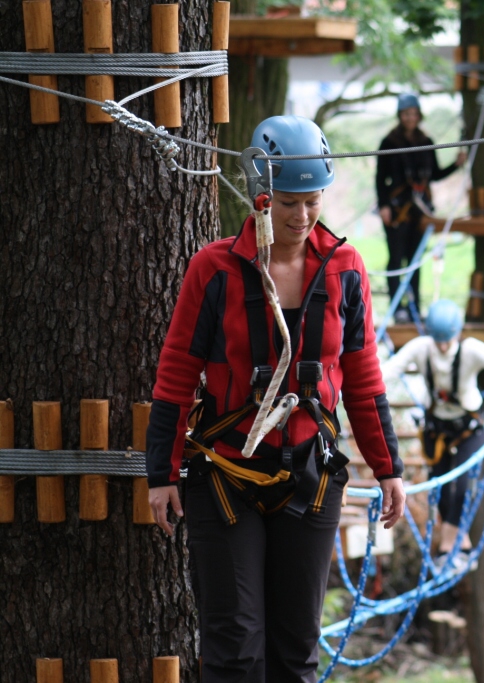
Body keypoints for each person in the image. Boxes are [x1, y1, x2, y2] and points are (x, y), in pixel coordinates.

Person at [146, 115, 406, 683]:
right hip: (225, 475)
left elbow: (362, 375)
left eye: (312, 200)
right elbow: (176, 373)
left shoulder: (345, 269)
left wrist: (389, 469)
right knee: (235, 647)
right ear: (261, 195)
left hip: (310, 476)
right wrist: (160, 474)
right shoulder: (214, 270)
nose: (302, 215)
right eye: (288, 201)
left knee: (296, 651)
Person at [381, 299, 484, 570]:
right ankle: (460, 544)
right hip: (436, 429)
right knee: (438, 488)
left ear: (457, 334)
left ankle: (446, 546)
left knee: (462, 486)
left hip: (468, 428)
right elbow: (389, 370)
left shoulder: (471, 350)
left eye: (447, 341)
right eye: (438, 340)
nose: (442, 347)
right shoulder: (421, 349)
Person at [376, 93, 467, 322]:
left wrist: (455, 166)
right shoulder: (389, 143)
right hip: (397, 210)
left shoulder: (426, 142)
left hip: (420, 211)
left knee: (415, 260)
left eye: (414, 113)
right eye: (406, 114)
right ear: (400, 116)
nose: (410, 118)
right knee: (396, 259)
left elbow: (434, 174)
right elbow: (380, 179)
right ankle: (398, 308)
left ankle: (414, 307)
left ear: (419, 115)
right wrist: (384, 206)